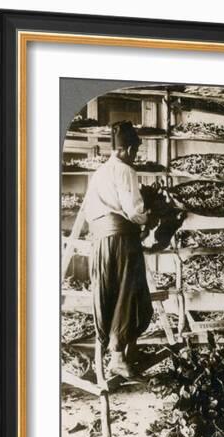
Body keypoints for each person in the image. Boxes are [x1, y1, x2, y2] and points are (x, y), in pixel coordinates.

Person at [83, 120, 153, 378]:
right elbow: (134, 211)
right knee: (129, 293)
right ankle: (117, 357)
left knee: (109, 293)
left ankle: (119, 353)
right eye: (135, 151)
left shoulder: (100, 172)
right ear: (129, 150)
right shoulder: (125, 171)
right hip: (121, 240)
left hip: (101, 241)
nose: (135, 156)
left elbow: (92, 212)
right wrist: (149, 216)